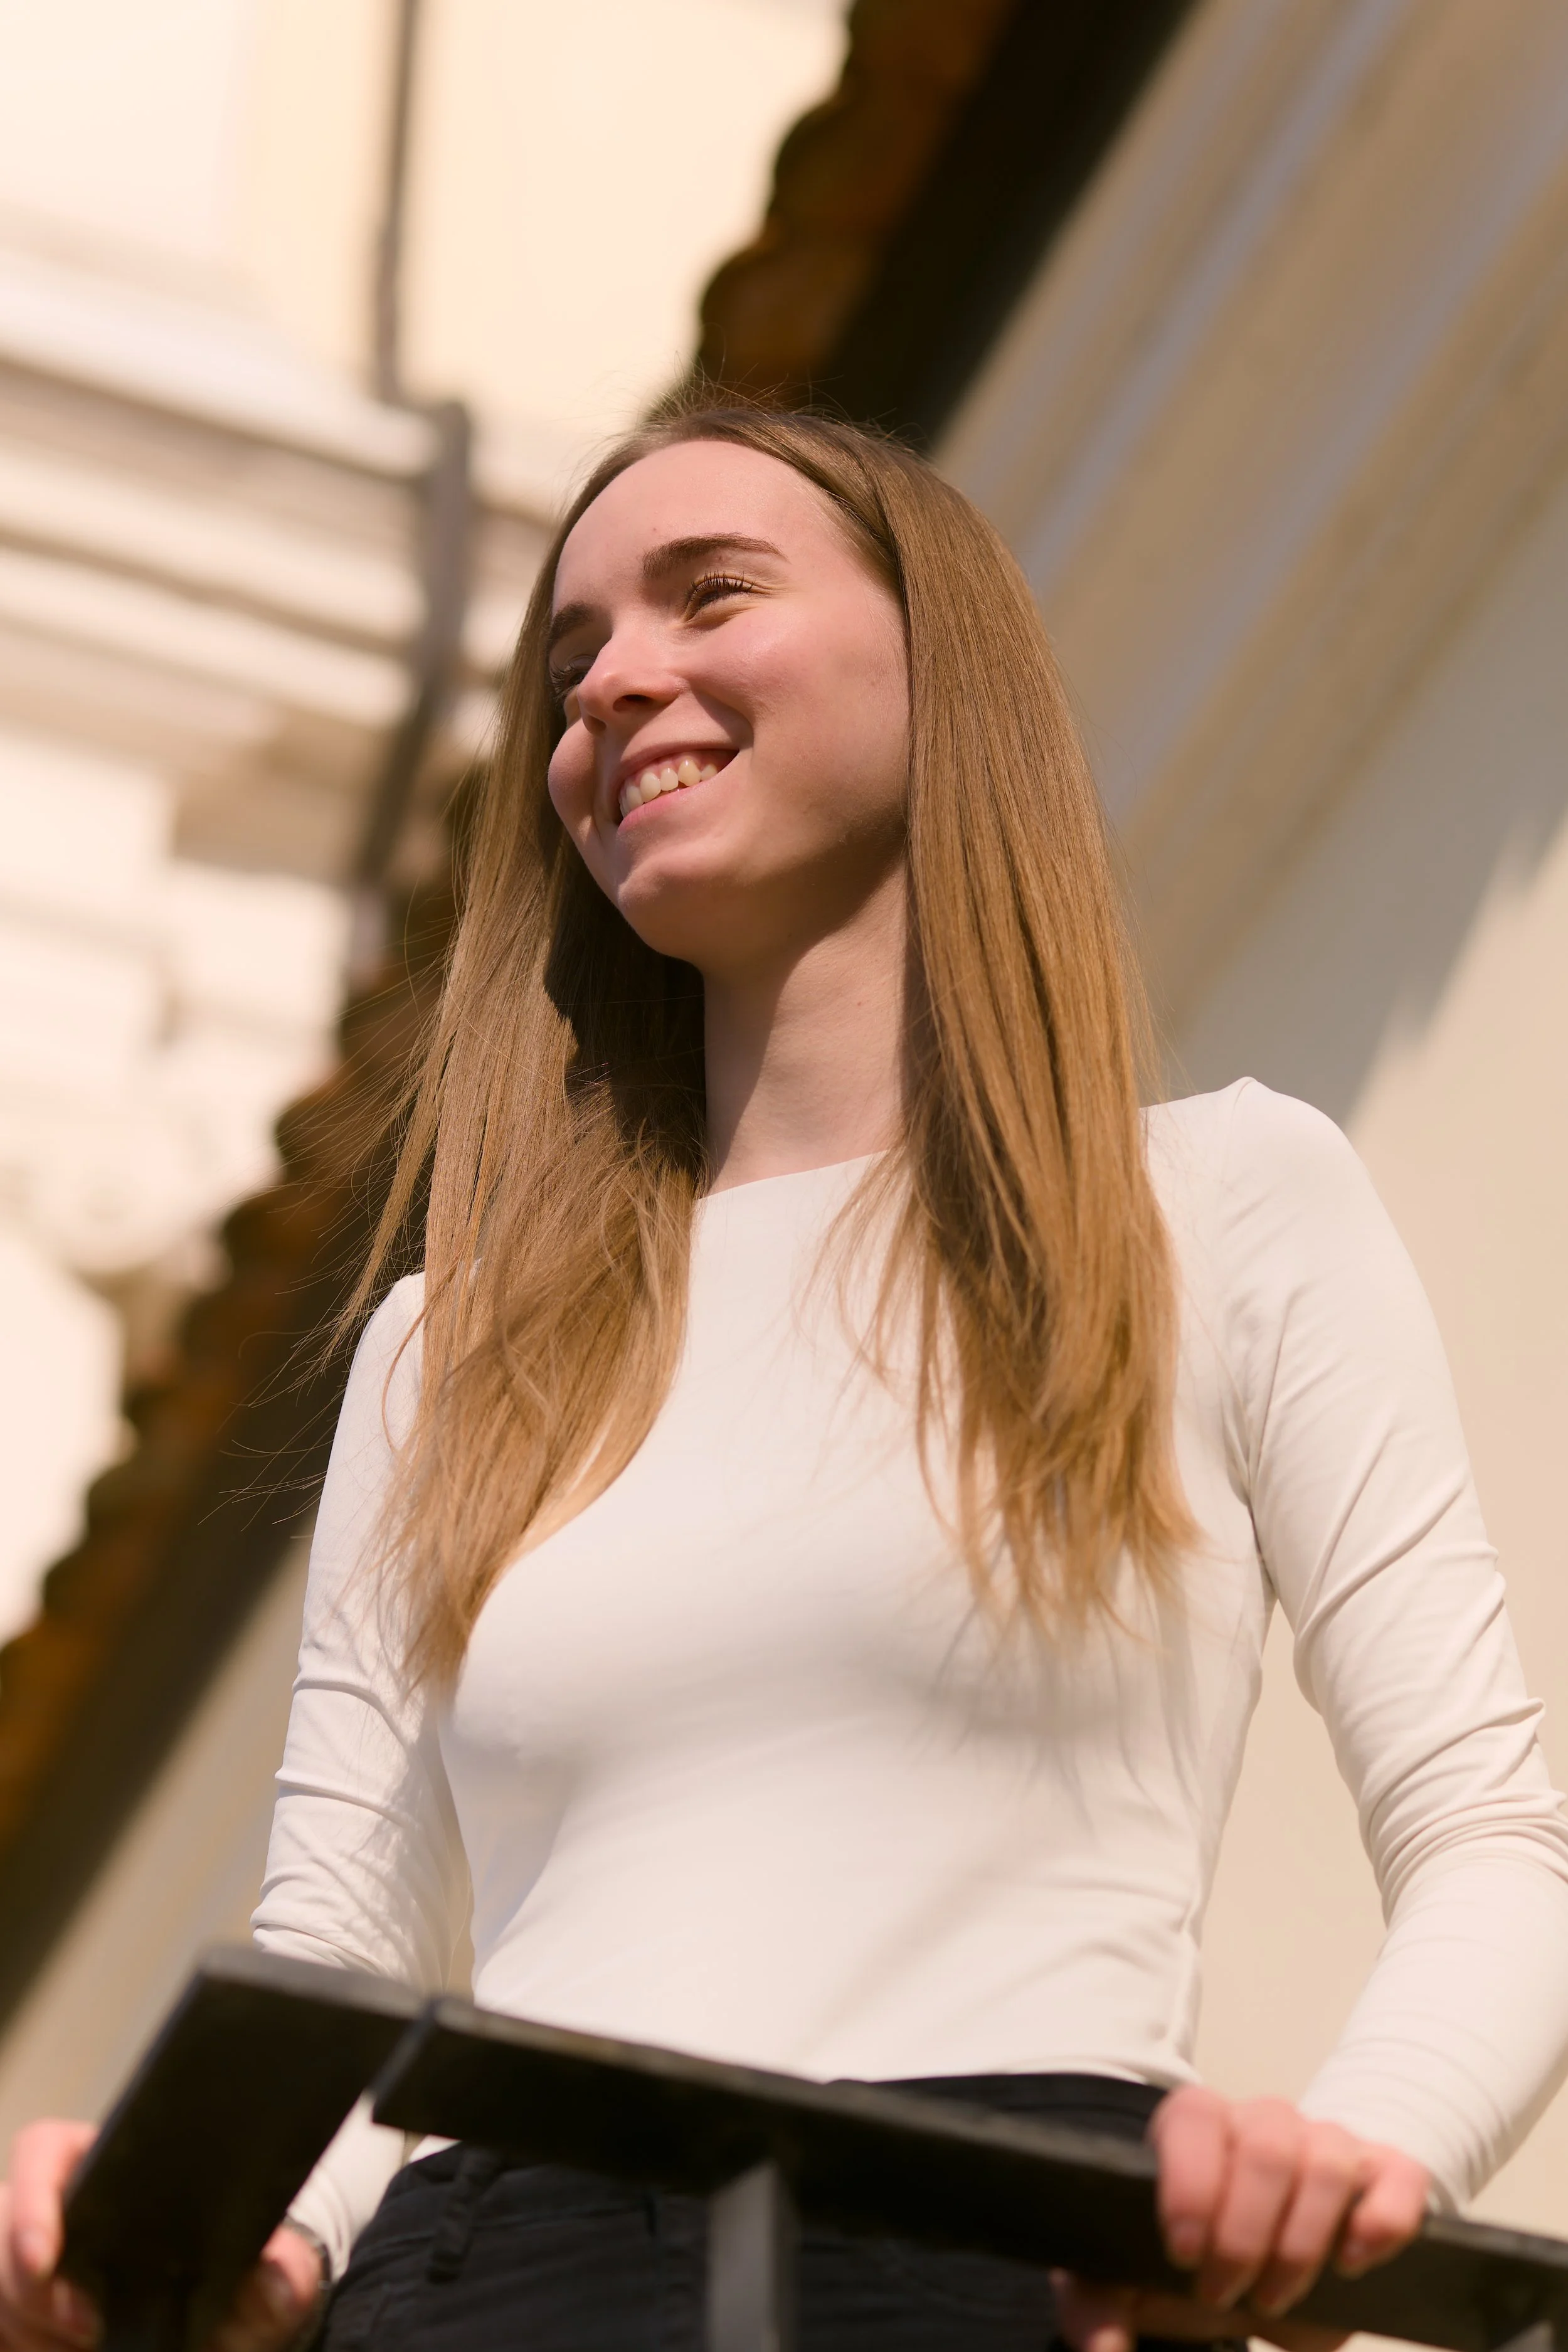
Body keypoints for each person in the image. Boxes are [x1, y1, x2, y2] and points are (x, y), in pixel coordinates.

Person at [5, 400, 1568, 2352]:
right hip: (484, 2280)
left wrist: (1349, 2166)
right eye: (567, 664)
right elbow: (344, 1939)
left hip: (993, 2251)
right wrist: (240, 2238)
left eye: (708, 595)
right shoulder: (456, 1350)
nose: (612, 686)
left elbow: (1491, 1837)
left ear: (937, 661)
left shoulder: (1220, 1206)